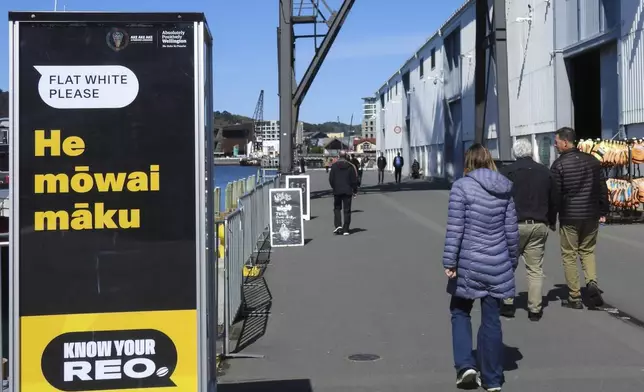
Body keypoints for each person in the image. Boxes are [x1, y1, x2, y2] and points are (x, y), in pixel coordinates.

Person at [442, 143, 519, 391]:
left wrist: (449, 262)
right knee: (491, 319)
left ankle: (466, 366)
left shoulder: (461, 187)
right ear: (489, 161)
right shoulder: (505, 188)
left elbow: (456, 228)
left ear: (469, 162)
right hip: (498, 262)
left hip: (468, 263)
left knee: (460, 310)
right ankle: (493, 379)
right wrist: (511, 261)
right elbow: (511, 231)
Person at [550, 127, 609, 309]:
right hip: (591, 214)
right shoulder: (593, 161)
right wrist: (603, 211)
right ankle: (591, 283)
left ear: (565, 142)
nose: (555, 144)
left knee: (569, 255)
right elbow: (602, 188)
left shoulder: (559, 165)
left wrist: (552, 218)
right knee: (588, 251)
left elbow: (555, 195)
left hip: (570, 216)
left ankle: (574, 297)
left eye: (557, 141)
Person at [499, 138, 557, 321]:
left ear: (515, 153)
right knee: (535, 269)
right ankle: (534, 308)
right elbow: (554, 198)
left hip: (512, 224)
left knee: (508, 265)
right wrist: (551, 221)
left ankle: (508, 304)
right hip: (538, 224)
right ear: (531, 152)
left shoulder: (506, 172)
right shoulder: (545, 172)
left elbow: (499, 199)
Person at [329, 151, 358, 235]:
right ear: (346, 156)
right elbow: (354, 180)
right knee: (347, 210)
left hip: (337, 190)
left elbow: (331, 179)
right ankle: (346, 229)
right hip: (347, 190)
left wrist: (334, 187)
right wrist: (355, 190)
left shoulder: (334, 166)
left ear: (338, 156)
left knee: (337, 208)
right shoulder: (350, 166)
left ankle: (338, 226)